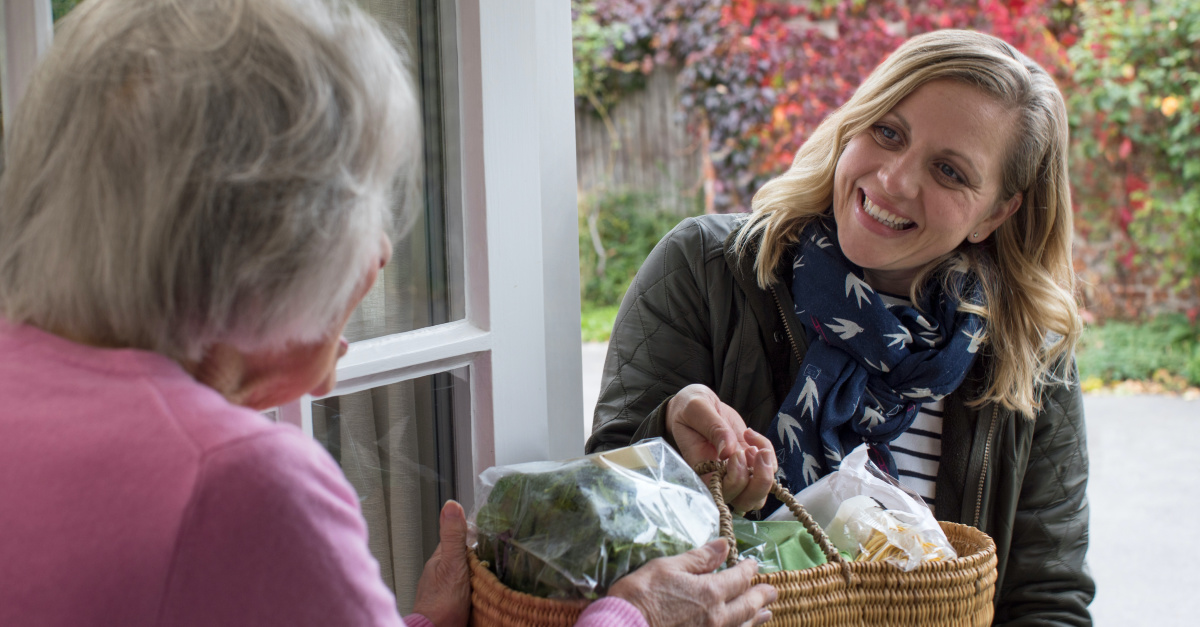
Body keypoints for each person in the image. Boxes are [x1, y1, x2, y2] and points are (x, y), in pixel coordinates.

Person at [0, 1, 777, 626]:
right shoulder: (241, 484)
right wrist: (633, 612)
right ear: (271, 236)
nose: (379, 253)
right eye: (367, 199)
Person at [588, 29, 1094, 624]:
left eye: (950, 172)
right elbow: (598, 516)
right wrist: (674, 448)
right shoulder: (706, 270)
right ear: (854, 124)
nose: (895, 181)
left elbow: (1046, 599)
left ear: (995, 212)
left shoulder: (1028, 354)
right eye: (888, 132)